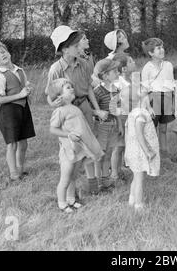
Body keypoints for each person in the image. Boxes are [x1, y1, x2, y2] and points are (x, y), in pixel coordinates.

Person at [46, 25, 104, 195]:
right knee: (72, 151)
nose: (80, 48)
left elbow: (89, 88)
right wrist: (54, 105)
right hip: (67, 113)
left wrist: (97, 109)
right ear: (64, 49)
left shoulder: (84, 64)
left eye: (80, 45)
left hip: (84, 107)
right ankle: (70, 191)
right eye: (76, 46)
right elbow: (49, 95)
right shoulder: (56, 69)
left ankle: (93, 186)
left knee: (90, 146)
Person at [48, 78, 104, 213]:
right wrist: (68, 134)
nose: (72, 89)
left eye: (72, 86)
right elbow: (53, 129)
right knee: (66, 177)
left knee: (74, 176)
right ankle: (62, 203)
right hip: (69, 149)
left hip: (79, 147)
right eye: (68, 87)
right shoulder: (60, 111)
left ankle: (71, 199)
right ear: (59, 95)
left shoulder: (74, 108)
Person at [0, 42, 35, 181]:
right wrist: (20, 95)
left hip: (23, 109)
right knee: (12, 144)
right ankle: (14, 175)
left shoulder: (20, 70)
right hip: (9, 112)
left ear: (8, 53)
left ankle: (20, 169)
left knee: (23, 143)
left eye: (3, 52)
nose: (2, 55)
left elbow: (23, 86)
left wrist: (27, 88)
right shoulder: (0, 77)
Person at [120, 84, 160, 211]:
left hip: (133, 150)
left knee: (136, 177)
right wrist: (147, 151)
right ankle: (139, 205)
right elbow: (139, 134)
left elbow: (128, 134)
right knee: (139, 180)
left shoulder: (132, 113)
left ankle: (132, 200)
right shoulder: (141, 115)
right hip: (140, 152)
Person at [92, 59, 125, 189]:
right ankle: (96, 181)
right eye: (115, 71)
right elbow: (92, 110)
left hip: (113, 125)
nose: (118, 72)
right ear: (105, 75)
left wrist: (120, 125)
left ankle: (106, 180)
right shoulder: (98, 91)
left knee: (108, 154)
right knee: (100, 155)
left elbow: (116, 110)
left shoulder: (116, 90)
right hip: (101, 127)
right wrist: (97, 113)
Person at [141, 38, 175, 157]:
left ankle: (164, 153)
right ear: (151, 53)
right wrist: (148, 107)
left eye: (162, 47)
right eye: (158, 48)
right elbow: (144, 90)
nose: (162, 50)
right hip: (153, 99)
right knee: (152, 129)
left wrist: (172, 103)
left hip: (166, 99)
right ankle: (152, 153)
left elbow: (171, 85)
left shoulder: (168, 65)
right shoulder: (147, 68)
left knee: (164, 129)